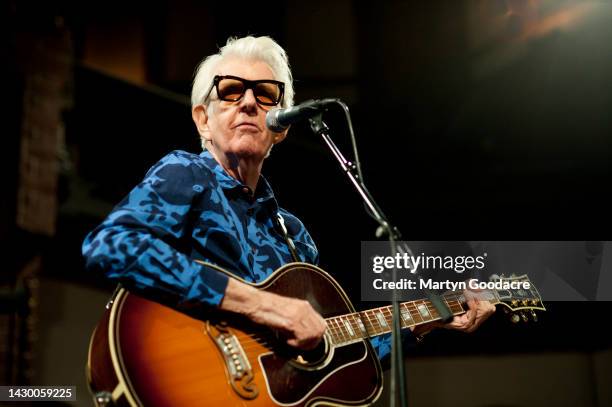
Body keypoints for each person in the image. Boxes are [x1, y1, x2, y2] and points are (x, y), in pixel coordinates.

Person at [82, 35, 495, 360]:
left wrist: (428, 318)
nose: (247, 102)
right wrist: (264, 307)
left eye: (264, 94)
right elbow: (111, 245)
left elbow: (335, 348)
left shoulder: (294, 235)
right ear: (202, 120)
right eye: (230, 91)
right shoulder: (186, 174)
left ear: (281, 127)